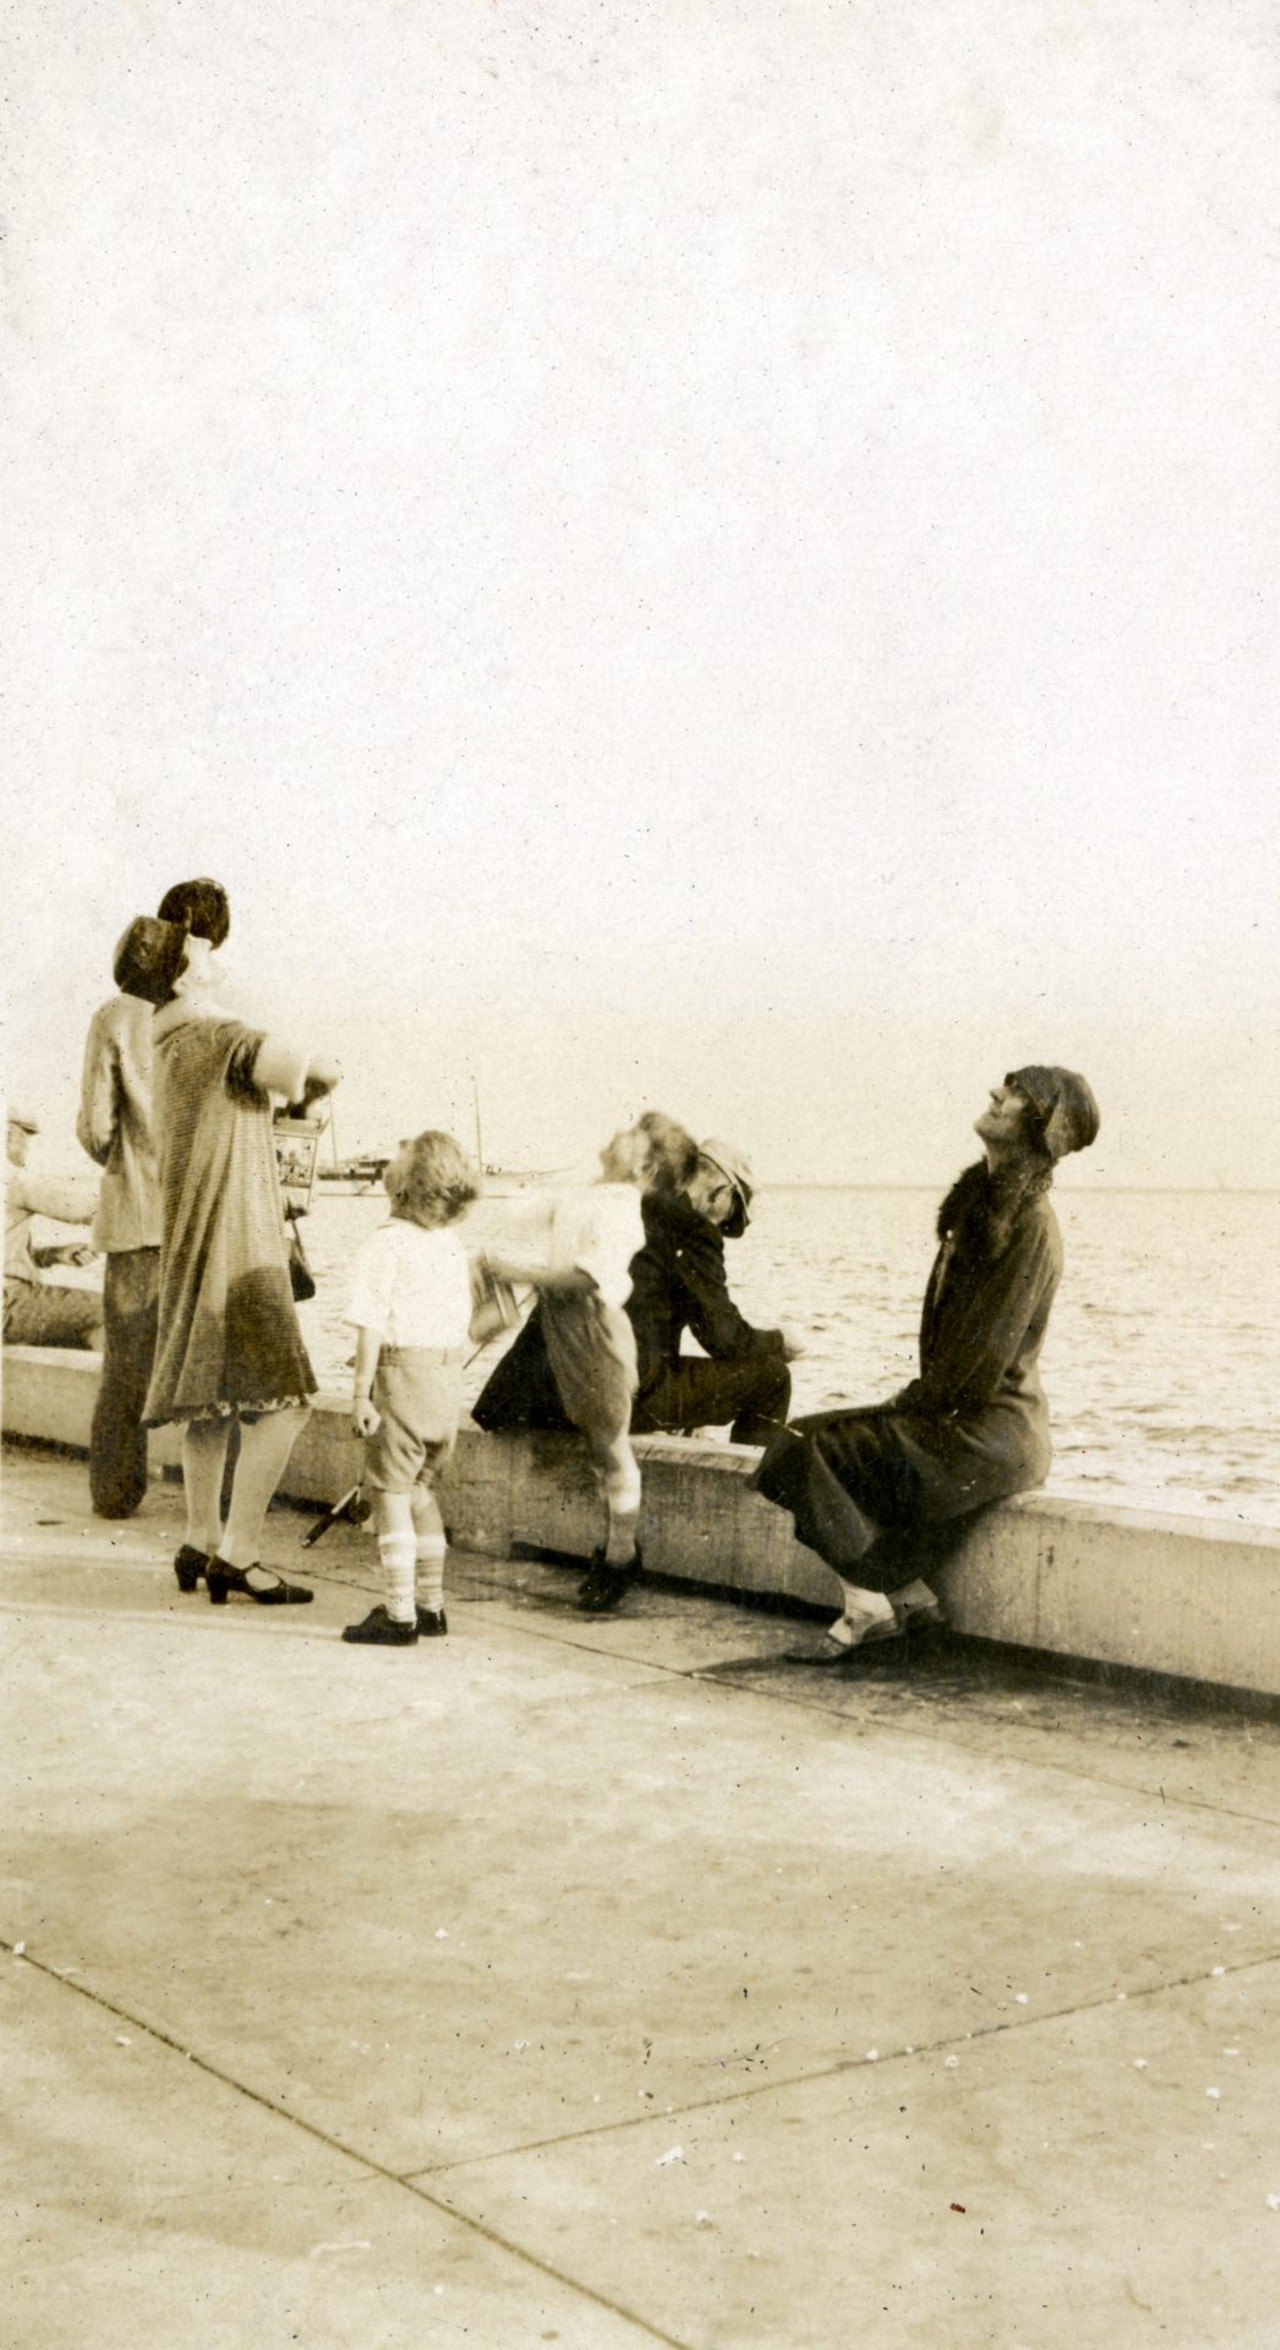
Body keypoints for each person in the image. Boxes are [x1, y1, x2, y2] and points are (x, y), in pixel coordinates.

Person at [752, 1066, 1100, 1662]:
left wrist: (901, 1409)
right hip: (965, 1418)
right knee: (799, 1444)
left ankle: (869, 1608)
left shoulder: (1031, 1227)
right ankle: (908, 1599)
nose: (996, 1093)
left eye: (1016, 1093)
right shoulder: (985, 1210)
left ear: (1041, 1127)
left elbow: (980, 1366)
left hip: (988, 1433)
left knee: (806, 1448)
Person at [113, 907, 340, 1606]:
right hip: (240, 1244)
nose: (211, 947)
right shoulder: (219, 1033)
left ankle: (199, 1536)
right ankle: (239, 1554)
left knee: (209, 1402)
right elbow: (317, 1069)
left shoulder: (168, 1045)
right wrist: (307, 1096)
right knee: (291, 1400)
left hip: (189, 1240)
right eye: (198, 946)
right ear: (182, 975)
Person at [471, 1112, 699, 1613]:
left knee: (611, 1444)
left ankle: (621, 1554)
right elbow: (524, 1216)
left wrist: (516, 1270)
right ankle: (617, 1543)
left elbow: (589, 1276)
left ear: (644, 1168)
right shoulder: (589, 1193)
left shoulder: (621, 1209)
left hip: (595, 1332)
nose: (617, 1133)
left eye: (631, 1136)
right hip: (564, 1325)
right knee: (597, 1444)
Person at [76, 878, 231, 1518]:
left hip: (134, 1215)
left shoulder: (114, 1017)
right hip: (204, 1218)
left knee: (126, 1366)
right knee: (213, 1364)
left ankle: (116, 1493)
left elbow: (95, 1129)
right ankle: (217, 1500)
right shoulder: (220, 1010)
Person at [342, 1130, 477, 1649]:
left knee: (391, 1494)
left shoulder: (385, 1243)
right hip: (445, 1382)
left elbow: (370, 1322)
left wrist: (360, 1392)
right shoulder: (449, 1244)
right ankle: (432, 1604)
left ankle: (399, 1613)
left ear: (403, 1186)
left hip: (402, 1379)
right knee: (421, 1490)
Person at [627, 1136, 802, 1444]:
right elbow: (724, 1339)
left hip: (540, 1395)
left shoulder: (634, 1203)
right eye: (730, 1214)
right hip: (623, 1396)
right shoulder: (693, 1226)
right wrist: (778, 1341)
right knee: (772, 1378)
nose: (720, 1225)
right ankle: (748, 1490)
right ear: (723, 1193)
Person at [4, 1109, 103, 1350]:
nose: (26, 1148)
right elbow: (86, 1209)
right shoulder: (11, 1180)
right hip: (10, 1304)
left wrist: (54, 1255)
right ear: (8, 1135)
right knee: (109, 1313)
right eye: (23, 1137)